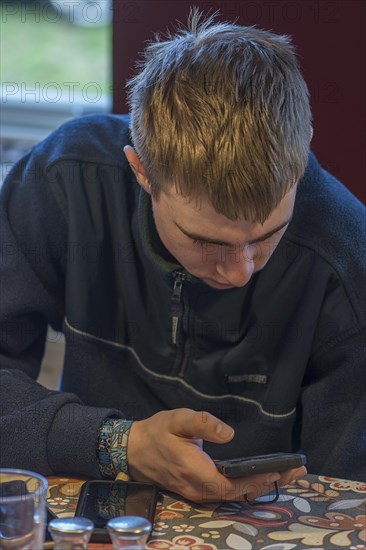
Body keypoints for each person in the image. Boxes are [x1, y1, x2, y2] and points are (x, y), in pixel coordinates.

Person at [1, 10, 365, 502]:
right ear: (141, 172)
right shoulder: (64, 182)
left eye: (267, 235)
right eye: (208, 242)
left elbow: (347, 497)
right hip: (98, 504)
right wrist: (116, 443)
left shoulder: (347, 255)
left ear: (299, 164)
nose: (241, 271)